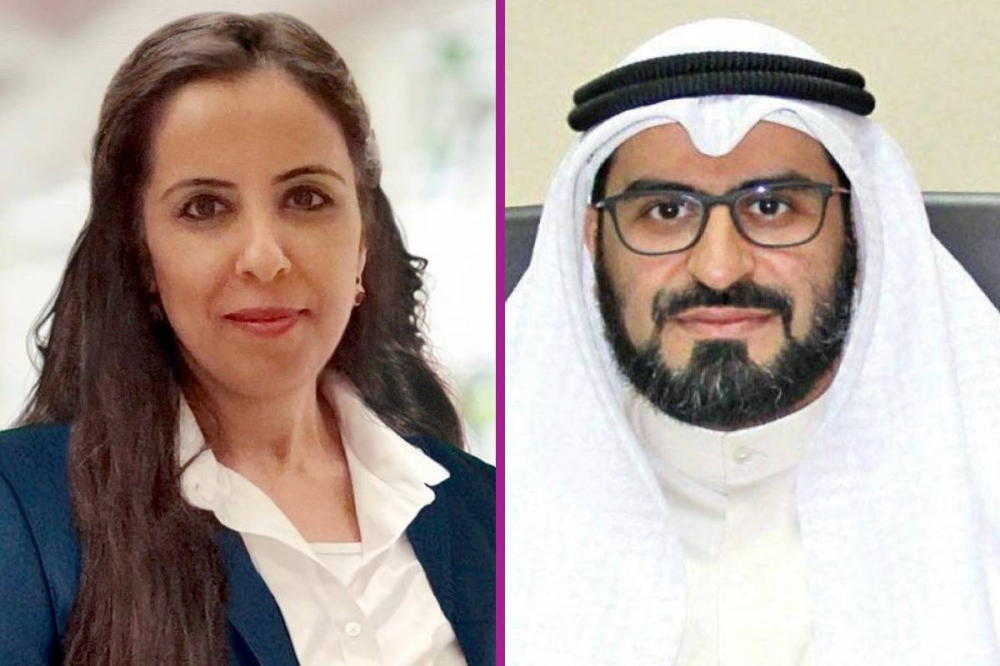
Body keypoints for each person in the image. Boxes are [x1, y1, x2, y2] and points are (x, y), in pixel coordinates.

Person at [0, 12, 494, 666]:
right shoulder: (23, 512)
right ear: (143, 258)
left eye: (306, 198)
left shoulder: (488, 506)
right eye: (205, 208)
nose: (265, 257)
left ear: (363, 243)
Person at [505, 18, 1000, 666]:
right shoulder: (476, 510)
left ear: (861, 231)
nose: (718, 268)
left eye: (771, 208)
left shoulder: (978, 489)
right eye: (665, 211)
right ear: (593, 241)